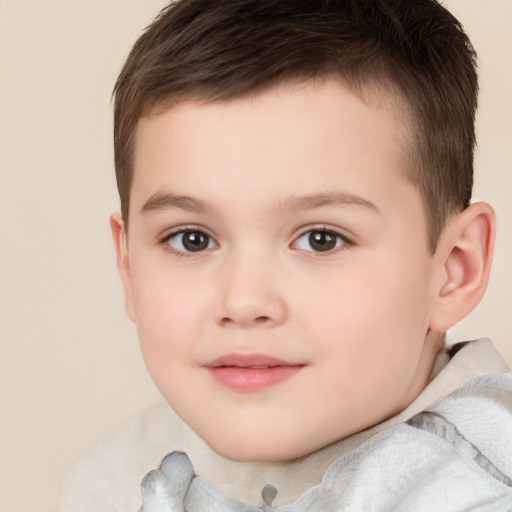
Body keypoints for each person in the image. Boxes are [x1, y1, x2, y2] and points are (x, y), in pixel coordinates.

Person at [60, 0, 512, 510]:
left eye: (322, 238)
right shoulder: (114, 481)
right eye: (192, 239)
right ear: (128, 269)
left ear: (454, 270)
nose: (245, 301)